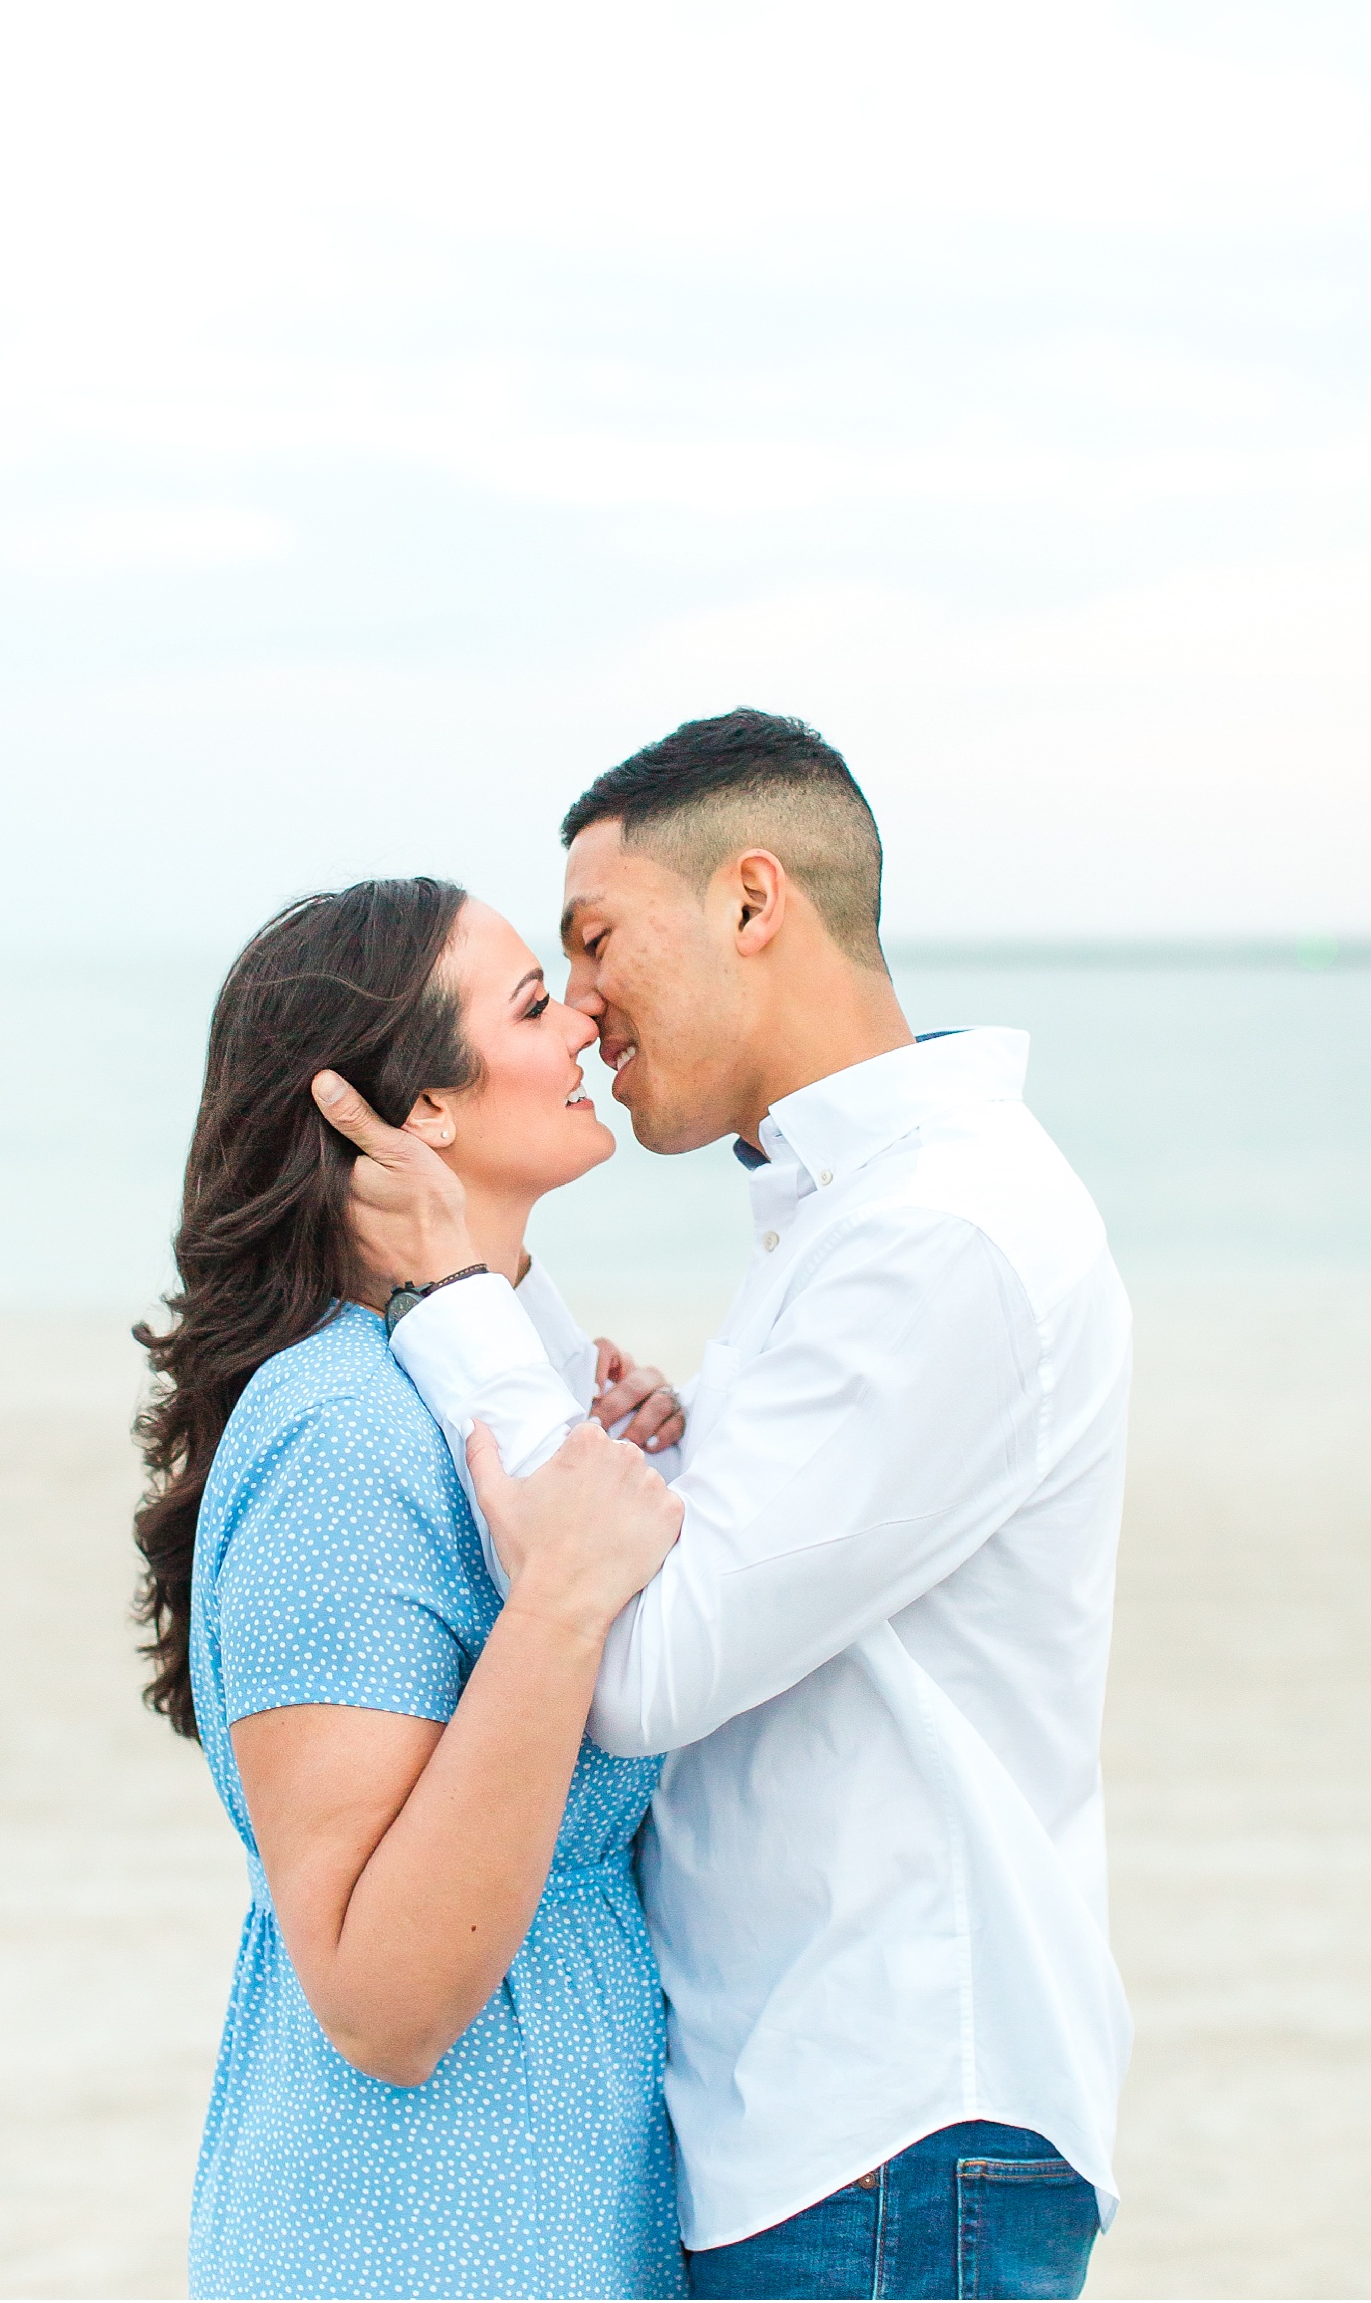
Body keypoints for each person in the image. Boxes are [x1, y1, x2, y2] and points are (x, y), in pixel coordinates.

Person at [314, 709, 1133, 2303]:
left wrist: (454, 1295)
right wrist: (616, 1418)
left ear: (755, 903)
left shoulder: (943, 1234)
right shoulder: (850, 1222)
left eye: (598, 942)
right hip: (836, 2129)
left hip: (890, 2123)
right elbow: (726, 1596)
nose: (587, 1009)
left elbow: (636, 1669)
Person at [133, 876, 691, 2302]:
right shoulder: (339, 1430)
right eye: (526, 1003)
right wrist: (562, 1601)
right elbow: (378, 1998)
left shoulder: (495, 1407)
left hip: (553, 2202)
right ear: (417, 1111)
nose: (577, 1018)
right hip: (411, 2233)